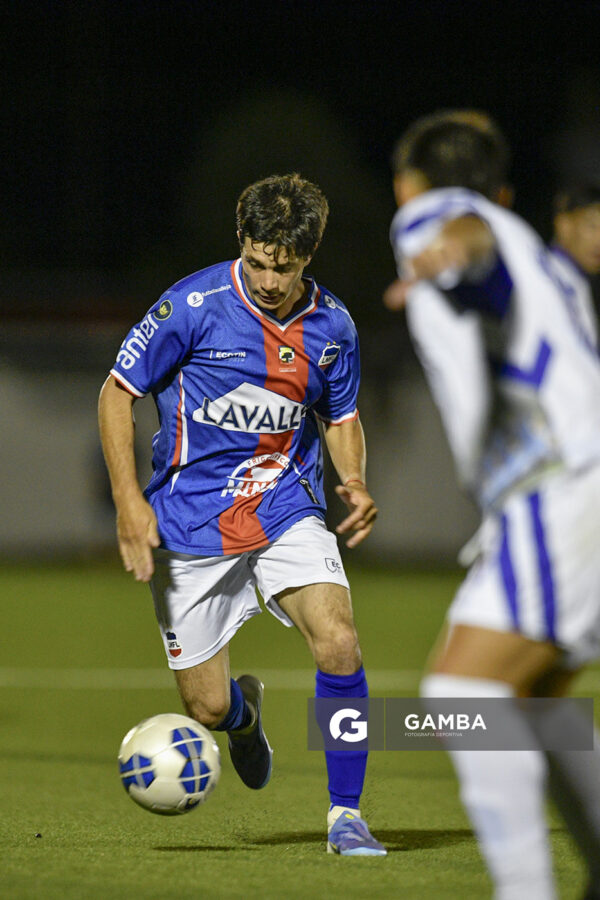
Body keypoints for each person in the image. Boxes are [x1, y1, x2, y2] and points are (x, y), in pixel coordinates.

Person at [98, 172, 386, 856]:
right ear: (242, 241)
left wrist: (352, 478)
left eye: (284, 267)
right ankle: (243, 717)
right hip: (190, 520)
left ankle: (346, 814)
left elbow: (340, 416)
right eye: (257, 262)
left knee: (339, 642)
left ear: (308, 255)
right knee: (206, 706)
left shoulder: (333, 327)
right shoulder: (191, 306)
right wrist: (128, 501)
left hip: (285, 502)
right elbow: (116, 393)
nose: (268, 280)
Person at [385, 112, 600, 897]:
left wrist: (452, 248)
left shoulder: (435, 217)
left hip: (562, 487)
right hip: (569, 489)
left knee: (464, 695)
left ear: (407, 185)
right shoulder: (541, 255)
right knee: (535, 706)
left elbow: (465, 233)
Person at [549, 184, 600, 349]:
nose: (598, 240)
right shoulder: (548, 273)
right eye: (592, 225)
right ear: (564, 224)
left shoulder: (577, 282)